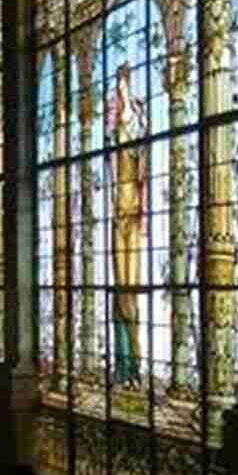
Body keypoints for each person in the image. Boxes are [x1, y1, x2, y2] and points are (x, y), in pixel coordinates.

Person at [107, 60, 147, 386]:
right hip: (119, 219)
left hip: (131, 221)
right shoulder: (118, 154)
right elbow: (116, 132)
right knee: (120, 296)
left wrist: (127, 96)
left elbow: (131, 130)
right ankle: (124, 368)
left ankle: (133, 367)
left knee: (128, 295)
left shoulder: (134, 162)